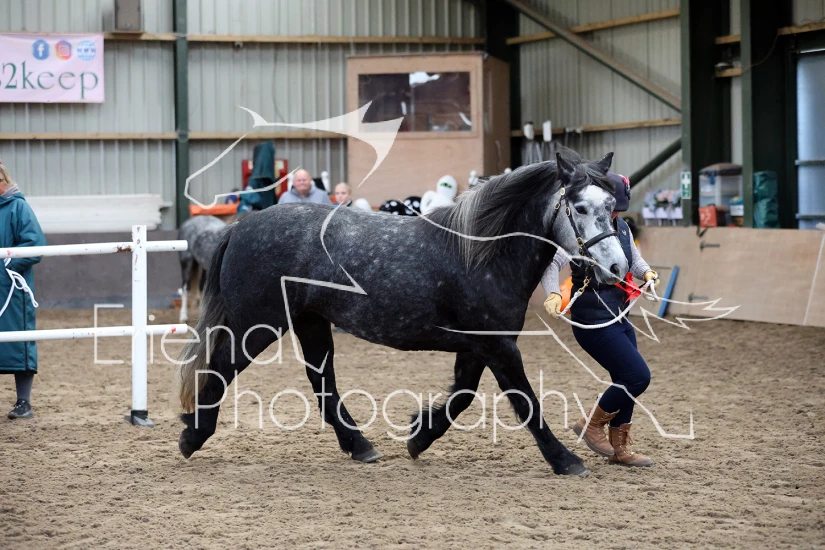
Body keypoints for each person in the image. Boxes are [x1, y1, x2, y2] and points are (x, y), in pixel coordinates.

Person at [542, 172, 660, 467]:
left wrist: (647, 273)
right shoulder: (580, 230)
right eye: (612, 208)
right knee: (637, 376)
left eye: (618, 209)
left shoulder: (622, 228)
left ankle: (620, 449)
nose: (615, 214)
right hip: (592, 317)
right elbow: (552, 263)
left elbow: (634, 259)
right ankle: (591, 424)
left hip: (619, 313)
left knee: (625, 380)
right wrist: (553, 293)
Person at [0, 163, 46, 419]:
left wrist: (9, 265)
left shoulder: (18, 208)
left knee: (19, 339)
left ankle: (23, 402)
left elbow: (34, 243)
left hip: (11, 287)